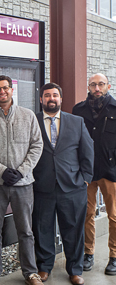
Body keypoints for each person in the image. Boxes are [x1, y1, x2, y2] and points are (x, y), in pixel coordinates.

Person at [0, 75, 43, 285]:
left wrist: (22, 171)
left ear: (12, 90)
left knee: (26, 230)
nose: (2, 92)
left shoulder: (28, 116)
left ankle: (30, 272)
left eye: (5, 88)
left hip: (23, 184)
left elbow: (37, 146)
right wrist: (1, 171)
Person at [32, 83, 94, 285]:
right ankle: (44, 267)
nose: (51, 98)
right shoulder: (32, 121)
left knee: (74, 230)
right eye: (47, 95)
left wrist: (85, 178)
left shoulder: (76, 122)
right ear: (41, 99)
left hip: (73, 187)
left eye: (55, 95)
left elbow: (87, 151)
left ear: (61, 99)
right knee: (42, 230)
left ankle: (75, 270)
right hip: (42, 186)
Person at [73, 73, 116, 275]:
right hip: (86, 172)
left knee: (114, 216)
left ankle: (114, 257)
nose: (96, 88)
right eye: (93, 84)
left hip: (111, 171)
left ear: (108, 85)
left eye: (100, 84)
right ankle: (88, 254)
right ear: (88, 87)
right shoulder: (78, 110)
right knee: (86, 215)